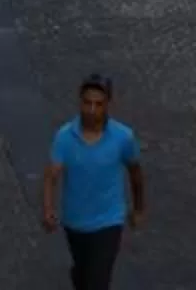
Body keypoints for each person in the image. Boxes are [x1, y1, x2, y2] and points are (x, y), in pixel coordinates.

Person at [41, 74, 144, 287]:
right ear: (80, 101)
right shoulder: (65, 136)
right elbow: (51, 176)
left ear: (108, 105)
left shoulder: (123, 137)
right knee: (84, 272)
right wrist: (48, 209)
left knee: (97, 280)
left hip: (109, 221)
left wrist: (138, 208)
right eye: (87, 103)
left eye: (98, 104)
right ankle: (79, 276)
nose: (91, 110)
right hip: (75, 221)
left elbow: (135, 173)